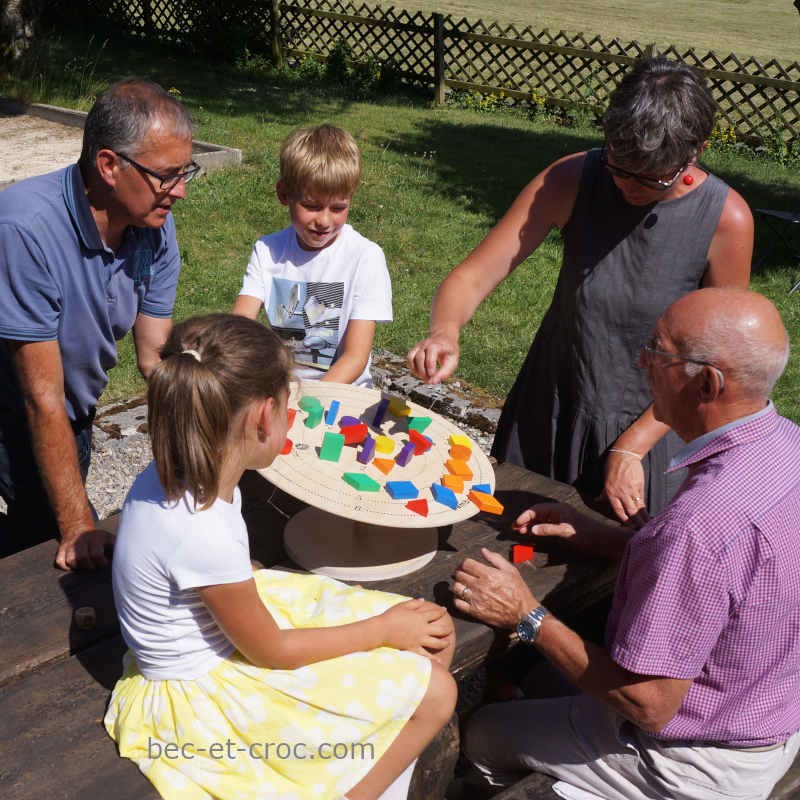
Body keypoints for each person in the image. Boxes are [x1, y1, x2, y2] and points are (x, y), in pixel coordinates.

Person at [452, 287, 800, 800]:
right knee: (545, 685)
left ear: (706, 382)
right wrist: (607, 538)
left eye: (658, 352)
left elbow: (648, 701)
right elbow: (736, 574)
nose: (642, 362)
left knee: (480, 733)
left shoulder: (701, 524)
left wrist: (525, 615)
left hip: (689, 763)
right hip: (765, 711)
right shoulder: (785, 444)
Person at [105, 313, 457, 800]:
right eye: (292, 405)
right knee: (438, 691)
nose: (294, 417)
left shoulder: (187, 471)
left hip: (226, 632)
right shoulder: (201, 526)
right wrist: (382, 631)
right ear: (264, 416)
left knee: (428, 631)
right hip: (204, 694)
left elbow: (199, 575)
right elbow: (270, 650)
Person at [407, 57, 753, 522]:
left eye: (651, 177)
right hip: (549, 412)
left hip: (652, 428)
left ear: (696, 151)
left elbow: (719, 360)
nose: (629, 186)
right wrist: (444, 331)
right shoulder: (572, 179)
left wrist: (630, 449)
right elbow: (473, 276)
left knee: (609, 581)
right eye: (619, 167)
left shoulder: (726, 221)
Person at [0, 78, 197, 569]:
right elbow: (40, 397)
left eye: (185, 171)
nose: (182, 191)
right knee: (39, 552)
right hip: (16, 412)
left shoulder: (155, 224)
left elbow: (155, 360)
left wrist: (208, 441)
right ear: (109, 166)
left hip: (73, 411)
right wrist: (78, 524)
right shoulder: (24, 229)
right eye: (167, 175)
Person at [233, 123, 392, 387]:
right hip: (285, 389)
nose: (325, 221)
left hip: (342, 394)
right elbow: (238, 325)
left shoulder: (365, 257)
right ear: (284, 194)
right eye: (311, 206)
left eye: (339, 207)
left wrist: (310, 400)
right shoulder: (268, 250)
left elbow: (355, 357)